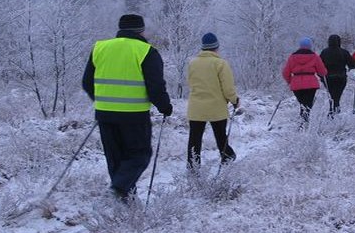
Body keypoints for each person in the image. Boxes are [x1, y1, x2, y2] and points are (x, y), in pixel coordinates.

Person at [82, 14, 173, 201]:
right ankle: (117, 191)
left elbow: (86, 82)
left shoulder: (99, 48)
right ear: (141, 30)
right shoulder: (146, 51)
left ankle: (125, 202)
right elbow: (155, 86)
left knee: (116, 160)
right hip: (134, 115)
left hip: (105, 114)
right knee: (139, 155)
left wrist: (103, 101)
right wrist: (165, 107)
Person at [186, 32, 239, 171]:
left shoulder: (192, 63)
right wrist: (234, 100)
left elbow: (191, 83)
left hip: (196, 107)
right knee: (220, 135)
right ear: (216, 47)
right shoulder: (220, 63)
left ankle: (193, 168)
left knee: (194, 139)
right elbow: (227, 87)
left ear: (203, 47)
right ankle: (227, 156)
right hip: (216, 106)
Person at [282, 37, 327, 127]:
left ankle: (303, 123)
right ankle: (304, 123)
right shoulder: (314, 56)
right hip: (311, 83)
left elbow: (285, 72)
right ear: (310, 46)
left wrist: (289, 81)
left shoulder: (292, 57)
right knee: (308, 104)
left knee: (302, 104)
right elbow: (322, 71)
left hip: (296, 84)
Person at [319, 34, 355, 117]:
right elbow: (352, 65)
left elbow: (319, 65)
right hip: (341, 77)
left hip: (328, 78)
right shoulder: (344, 52)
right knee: (337, 95)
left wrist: (321, 77)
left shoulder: (324, 52)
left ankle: (332, 111)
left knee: (332, 95)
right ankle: (335, 111)